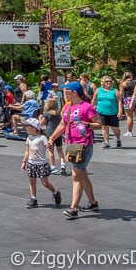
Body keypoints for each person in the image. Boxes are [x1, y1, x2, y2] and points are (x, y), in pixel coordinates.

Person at [46, 81, 101, 219]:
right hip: (71, 145)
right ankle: (93, 202)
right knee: (82, 174)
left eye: (66, 91)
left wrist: (87, 124)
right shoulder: (67, 107)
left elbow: (99, 124)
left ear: (74, 92)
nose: (64, 94)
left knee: (76, 176)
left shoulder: (87, 107)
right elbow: (63, 124)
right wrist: (52, 138)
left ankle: (73, 208)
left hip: (83, 145)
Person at [20, 118, 62, 209]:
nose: (25, 127)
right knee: (32, 181)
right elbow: (27, 151)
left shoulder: (42, 138)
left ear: (34, 128)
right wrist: (24, 161)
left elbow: (48, 145)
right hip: (31, 163)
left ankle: (55, 192)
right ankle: (33, 199)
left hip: (41, 164)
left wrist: (49, 145)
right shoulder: (29, 138)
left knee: (45, 183)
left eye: (27, 126)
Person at [92, 75, 123, 149]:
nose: (109, 82)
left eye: (110, 81)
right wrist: (92, 107)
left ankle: (118, 138)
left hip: (113, 112)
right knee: (104, 127)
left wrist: (120, 111)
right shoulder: (98, 90)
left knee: (115, 128)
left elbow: (119, 101)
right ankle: (107, 143)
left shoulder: (115, 91)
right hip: (101, 111)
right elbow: (94, 99)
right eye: (107, 81)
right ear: (103, 83)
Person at [40, 97, 67, 175]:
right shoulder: (59, 113)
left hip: (50, 134)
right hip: (58, 133)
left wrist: (40, 118)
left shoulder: (46, 114)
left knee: (51, 150)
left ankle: (53, 167)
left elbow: (42, 123)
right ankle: (62, 164)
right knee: (60, 149)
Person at [119, 71, 136, 136]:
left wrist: (119, 101)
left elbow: (121, 94)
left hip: (128, 99)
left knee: (129, 117)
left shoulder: (123, 84)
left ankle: (129, 132)